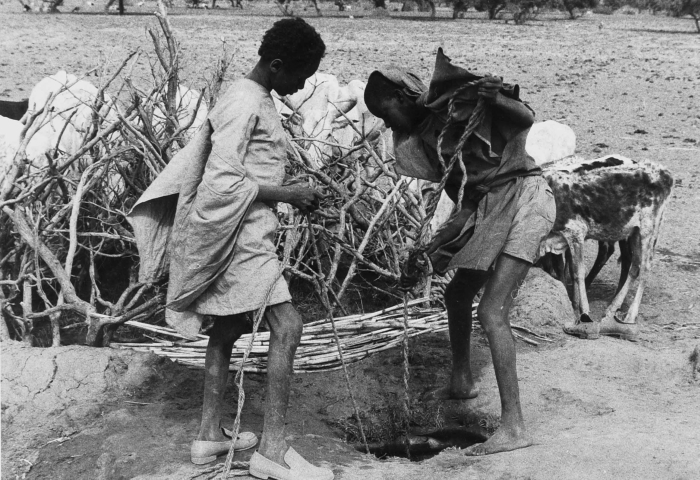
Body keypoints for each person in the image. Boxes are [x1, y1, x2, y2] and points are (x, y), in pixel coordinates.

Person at [128, 18, 333, 480]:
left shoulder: (255, 97)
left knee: (228, 327)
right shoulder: (243, 102)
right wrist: (288, 195)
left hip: (251, 229)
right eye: (299, 76)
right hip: (240, 237)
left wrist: (284, 195)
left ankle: (208, 435)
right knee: (288, 325)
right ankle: (274, 452)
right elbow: (220, 183)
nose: (301, 87)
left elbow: (241, 169)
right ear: (276, 65)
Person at [363, 49, 556, 456]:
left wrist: (498, 99)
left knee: (491, 311)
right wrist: (433, 247)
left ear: (401, 97)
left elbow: (525, 119)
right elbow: (467, 205)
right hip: (492, 210)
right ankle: (462, 380)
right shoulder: (434, 140)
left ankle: (514, 427)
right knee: (456, 293)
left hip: (526, 199)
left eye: (385, 114)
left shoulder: (460, 107)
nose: (387, 124)